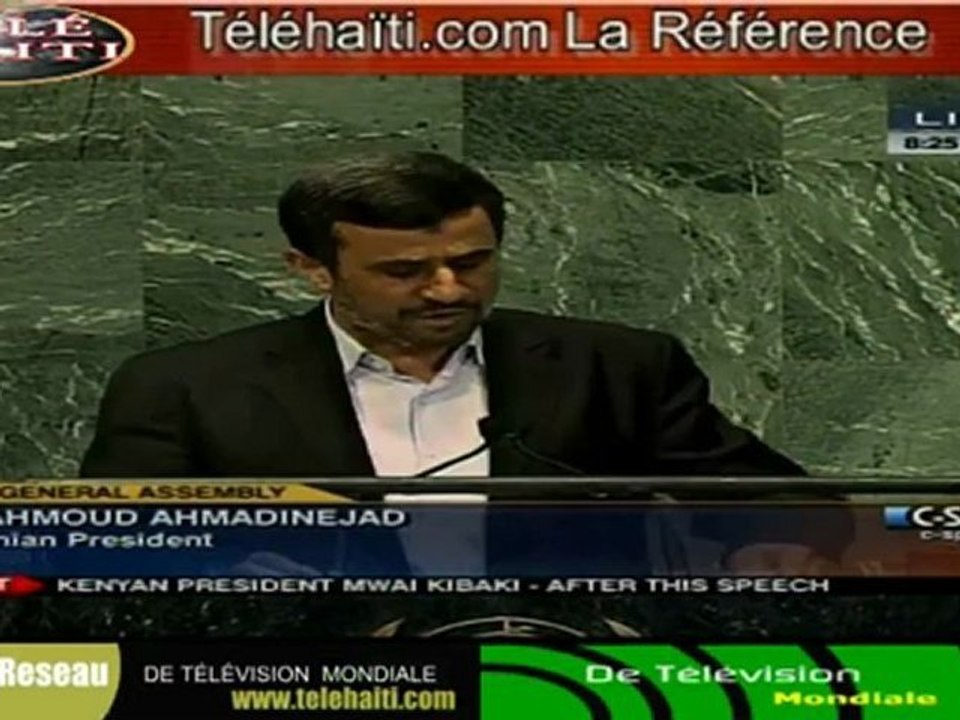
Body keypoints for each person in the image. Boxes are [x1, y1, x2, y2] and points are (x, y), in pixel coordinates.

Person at [80, 151, 851, 571]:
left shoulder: (614, 367)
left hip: (559, 673)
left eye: (472, 261)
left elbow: (791, 505)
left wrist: (768, 543)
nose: (449, 289)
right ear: (311, 268)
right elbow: (110, 555)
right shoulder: (185, 388)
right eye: (405, 271)